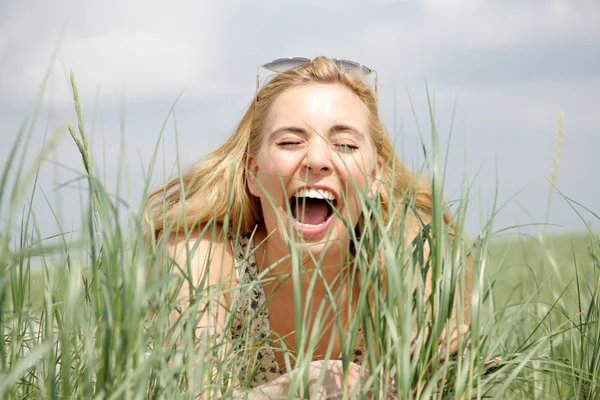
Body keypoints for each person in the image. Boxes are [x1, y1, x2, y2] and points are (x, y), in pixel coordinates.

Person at [144, 56, 472, 399]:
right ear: (253, 173)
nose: (317, 160)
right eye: (289, 142)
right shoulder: (202, 256)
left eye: (345, 145)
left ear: (375, 177)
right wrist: (296, 387)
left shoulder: (408, 261)